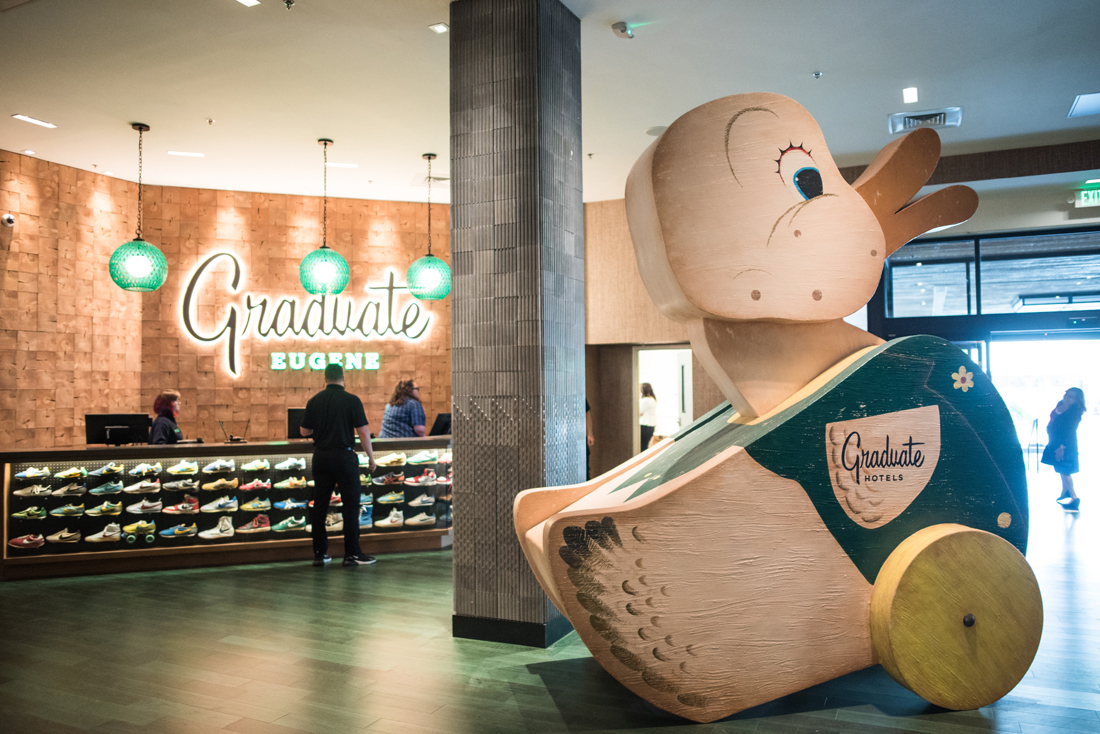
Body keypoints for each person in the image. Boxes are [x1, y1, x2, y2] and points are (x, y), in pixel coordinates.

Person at [300, 363, 378, 566]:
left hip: (321, 457)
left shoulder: (314, 400)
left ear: (324, 379)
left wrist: (321, 427)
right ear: (343, 378)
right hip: (344, 457)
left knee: (320, 506)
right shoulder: (352, 400)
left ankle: (320, 554)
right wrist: (371, 457)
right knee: (351, 506)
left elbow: (303, 431)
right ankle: (351, 554)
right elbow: (362, 431)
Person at [1041, 387, 1086, 511]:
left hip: (1064, 444)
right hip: (1054, 442)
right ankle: (1064, 492)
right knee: (1060, 467)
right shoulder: (1060, 404)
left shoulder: (1074, 412)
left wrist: (1062, 447)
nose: (1067, 397)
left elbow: (1070, 430)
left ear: (1077, 400)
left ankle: (1073, 496)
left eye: (1071, 396)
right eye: (1066, 394)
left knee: (1065, 469)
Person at [639, 383, 657, 450]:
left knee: (642, 447)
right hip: (651, 426)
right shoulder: (652, 399)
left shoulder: (645, 400)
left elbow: (638, 412)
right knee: (645, 446)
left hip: (645, 425)